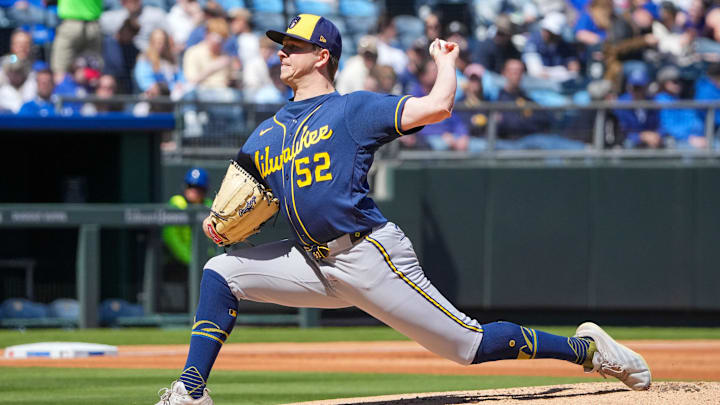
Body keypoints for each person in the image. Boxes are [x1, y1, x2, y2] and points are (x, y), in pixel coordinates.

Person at [154, 13, 652, 404]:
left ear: (322, 56)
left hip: (370, 255)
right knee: (221, 271)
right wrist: (221, 225)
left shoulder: (353, 109)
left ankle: (589, 350)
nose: (282, 52)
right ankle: (190, 392)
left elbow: (437, 106)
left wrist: (447, 62)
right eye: (281, 45)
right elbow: (241, 195)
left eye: (294, 46)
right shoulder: (264, 133)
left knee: (468, 346)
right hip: (312, 262)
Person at [161, 168, 213, 311]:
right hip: (178, 261)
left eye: (198, 188)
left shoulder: (210, 205)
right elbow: (171, 238)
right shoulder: (177, 204)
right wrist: (192, 260)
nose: (194, 191)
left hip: (204, 260)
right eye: (191, 186)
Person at [51, 0, 103, 84]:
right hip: (93, 26)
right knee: (93, 75)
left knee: (60, 72)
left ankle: (61, 95)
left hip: (71, 24)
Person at [614, 68, 662, 148]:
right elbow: (621, 130)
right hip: (630, 140)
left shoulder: (652, 102)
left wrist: (657, 135)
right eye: (635, 87)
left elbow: (660, 124)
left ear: (646, 88)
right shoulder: (622, 103)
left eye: (640, 87)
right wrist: (641, 136)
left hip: (651, 139)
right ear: (629, 88)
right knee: (629, 144)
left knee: (667, 142)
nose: (637, 91)